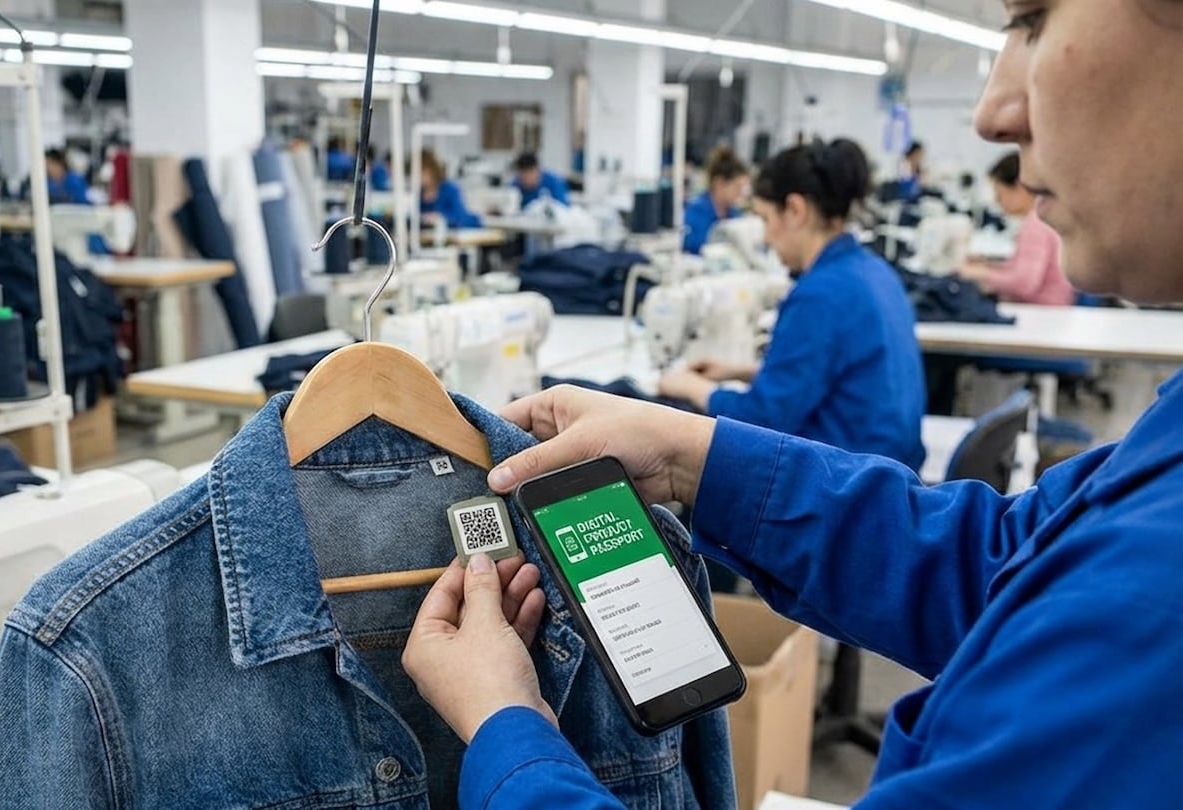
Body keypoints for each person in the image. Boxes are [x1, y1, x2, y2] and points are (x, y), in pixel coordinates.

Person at [401, 1, 1183, 807]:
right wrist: (692, 454)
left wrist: (506, 727)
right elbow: (1002, 564)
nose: (990, 111)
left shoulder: (1158, 595)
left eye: (1030, 18)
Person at [659, 139, 926, 470]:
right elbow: (845, 377)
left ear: (796, 211)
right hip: (888, 472)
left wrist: (695, 388)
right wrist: (744, 372)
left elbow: (761, 421)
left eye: (766, 219)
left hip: (845, 489)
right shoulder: (875, 271)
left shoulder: (819, 295)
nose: (767, 239)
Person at [958, 151, 1075, 305]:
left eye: (1000, 194)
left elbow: (1024, 284)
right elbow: (1023, 270)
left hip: (1043, 314)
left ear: (1020, 187)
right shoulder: (1039, 219)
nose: (997, 202)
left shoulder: (1036, 226)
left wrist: (979, 274)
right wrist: (987, 265)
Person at [681, 146, 749, 254]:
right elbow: (692, 246)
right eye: (737, 187)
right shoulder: (696, 211)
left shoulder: (735, 214)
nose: (740, 193)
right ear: (719, 183)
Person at [418, 148, 481, 229]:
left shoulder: (450, 189)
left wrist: (441, 218)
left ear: (433, 171)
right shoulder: (418, 193)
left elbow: (459, 216)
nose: (418, 175)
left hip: (452, 233)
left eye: (422, 171)